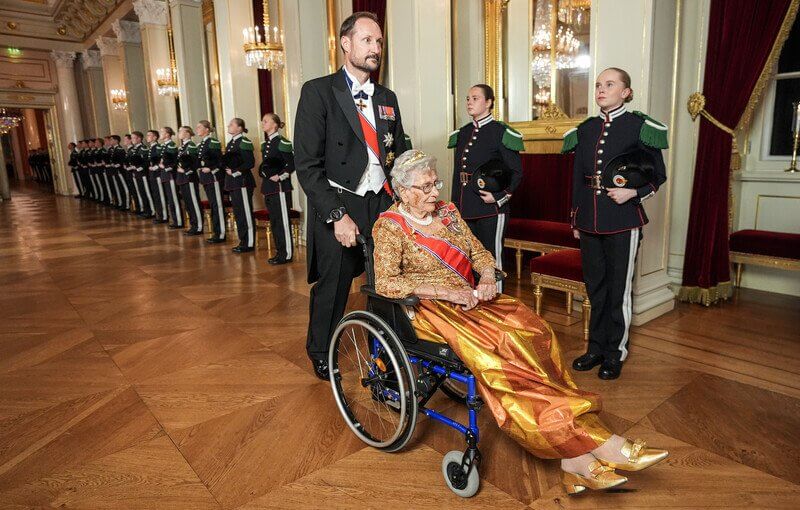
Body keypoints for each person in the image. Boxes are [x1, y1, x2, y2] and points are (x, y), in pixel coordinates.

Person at [372, 149, 668, 494]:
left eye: (435, 182)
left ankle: (574, 458)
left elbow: (478, 251)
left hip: (473, 298)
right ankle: (596, 444)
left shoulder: (449, 212)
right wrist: (445, 292)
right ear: (404, 191)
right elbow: (386, 283)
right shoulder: (389, 227)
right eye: (426, 186)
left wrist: (484, 277)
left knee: (535, 332)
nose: (436, 191)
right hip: (432, 311)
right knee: (503, 354)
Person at [295, 11, 410, 379]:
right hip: (340, 200)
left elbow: (399, 152)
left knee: (386, 281)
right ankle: (320, 350)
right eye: (367, 40)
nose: (375, 48)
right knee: (335, 284)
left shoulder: (387, 97)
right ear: (346, 44)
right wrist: (336, 215)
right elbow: (307, 165)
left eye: (378, 41)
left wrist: (411, 194)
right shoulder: (318, 91)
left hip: (381, 201)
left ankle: (386, 352)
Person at [562, 67, 668, 380]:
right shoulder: (586, 129)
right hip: (590, 220)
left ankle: (615, 352)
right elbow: (577, 180)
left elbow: (657, 175)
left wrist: (633, 192)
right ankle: (595, 348)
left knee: (618, 291)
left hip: (623, 220)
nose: (601, 89)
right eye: (598, 85)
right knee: (595, 288)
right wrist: (576, 217)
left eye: (609, 84)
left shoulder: (639, 126)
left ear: (626, 92)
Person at [448, 84, 523, 292]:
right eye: (467, 98)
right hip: (466, 207)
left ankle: (498, 306)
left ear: (489, 103)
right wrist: (455, 206)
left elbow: (516, 173)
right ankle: (477, 304)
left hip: (490, 208)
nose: (469, 102)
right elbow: (458, 174)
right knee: (468, 257)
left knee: (491, 258)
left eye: (475, 98)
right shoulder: (463, 133)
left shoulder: (501, 132)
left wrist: (499, 197)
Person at [258, 113, 295, 264]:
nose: (263, 124)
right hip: (268, 187)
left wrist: (280, 176)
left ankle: (286, 253)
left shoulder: (282, 142)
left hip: (279, 186)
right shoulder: (265, 144)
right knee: (274, 221)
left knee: (282, 221)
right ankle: (279, 252)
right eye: (262, 121)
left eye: (266, 121)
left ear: (275, 125)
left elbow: (291, 164)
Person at [224, 117, 256, 252]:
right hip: (233, 183)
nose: (228, 126)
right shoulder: (231, 142)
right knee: (238, 212)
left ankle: (248, 242)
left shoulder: (244, 142)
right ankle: (243, 240)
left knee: (245, 212)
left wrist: (235, 172)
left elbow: (250, 163)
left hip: (242, 181)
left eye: (231, 124)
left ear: (240, 128)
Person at [195, 120, 226, 244]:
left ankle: (220, 234)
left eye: (199, 127)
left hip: (214, 177)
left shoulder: (213, 142)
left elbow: (219, 160)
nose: (197, 129)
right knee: (213, 205)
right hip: (206, 178)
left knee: (217, 206)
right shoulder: (201, 144)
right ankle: (216, 232)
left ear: (207, 129)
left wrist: (212, 169)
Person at [176, 126, 203, 236]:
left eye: (181, 131)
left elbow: (194, 163)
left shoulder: (191, 146)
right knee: (187, 203)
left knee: (193, 203)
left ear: (187, 133)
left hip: (189, 177)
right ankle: (193, 225)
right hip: (182, 178)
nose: (179, 133)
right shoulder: (183, 147)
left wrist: (185, 170)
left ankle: (198, 227)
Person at [158, 127, 183, 229]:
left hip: (170, 175)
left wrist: (166, 167)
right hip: (165, 175)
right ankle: (175, 220)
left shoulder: (171, 145)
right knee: (170, 199)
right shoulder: (165, 146)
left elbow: (173, 161)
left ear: (168, 134)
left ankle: (179, 221)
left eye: (162, 132)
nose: (160, 133)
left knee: (174, 199)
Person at [129, 131, 154, 218]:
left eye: (133, 138)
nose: (132, 140)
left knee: (146, 192)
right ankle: (144, 210)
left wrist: (141, 167)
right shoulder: (134, 149)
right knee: (140, 192)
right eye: (131, 138)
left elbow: (146, 161)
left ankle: (151, 211)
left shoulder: (143, 148)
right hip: (136, 173)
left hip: (143, 173)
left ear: (139, 138)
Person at [146, 130, 168, 223]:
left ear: (155, 137)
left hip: (157, 174)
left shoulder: (158, 147)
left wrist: (155, 167)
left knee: (160, 195)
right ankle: (159, 215)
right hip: (152, 174)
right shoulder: (151, 147)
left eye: (149, 135)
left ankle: (163, 216)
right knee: (155, 194)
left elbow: (161, 160)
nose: (147, 137)